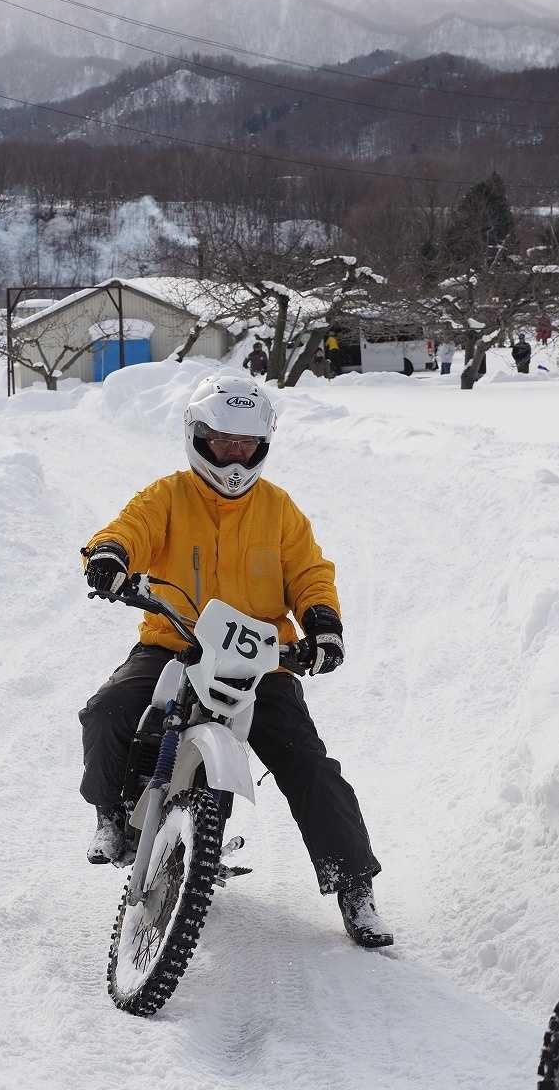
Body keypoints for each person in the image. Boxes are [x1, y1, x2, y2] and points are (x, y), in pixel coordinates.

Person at [78, 374, 393, 949]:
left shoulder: (279, 509)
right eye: (223, 442)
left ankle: (354, 885)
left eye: (246, 444)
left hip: (259, 659)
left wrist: (323, 624)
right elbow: (128, 530)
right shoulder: (168, 496)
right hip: (174, 641)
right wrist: (110, 556)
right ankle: (111, 815)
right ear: (198, 436)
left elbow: (309, 573)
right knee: (109, 710)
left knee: (309, 764)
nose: (234, 456)